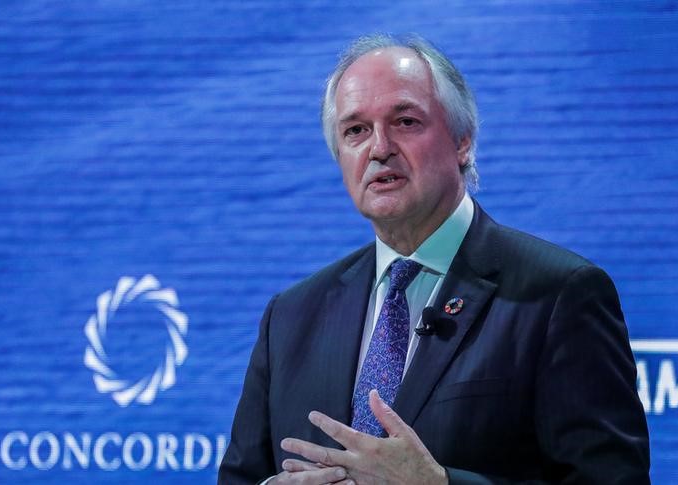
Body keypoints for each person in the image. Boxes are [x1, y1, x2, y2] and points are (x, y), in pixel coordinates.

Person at [218, 33, 650, 484]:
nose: (379, 148)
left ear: (462, 141)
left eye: (404, 121)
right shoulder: (291, 316)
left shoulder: (559, 294)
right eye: (356, 131)